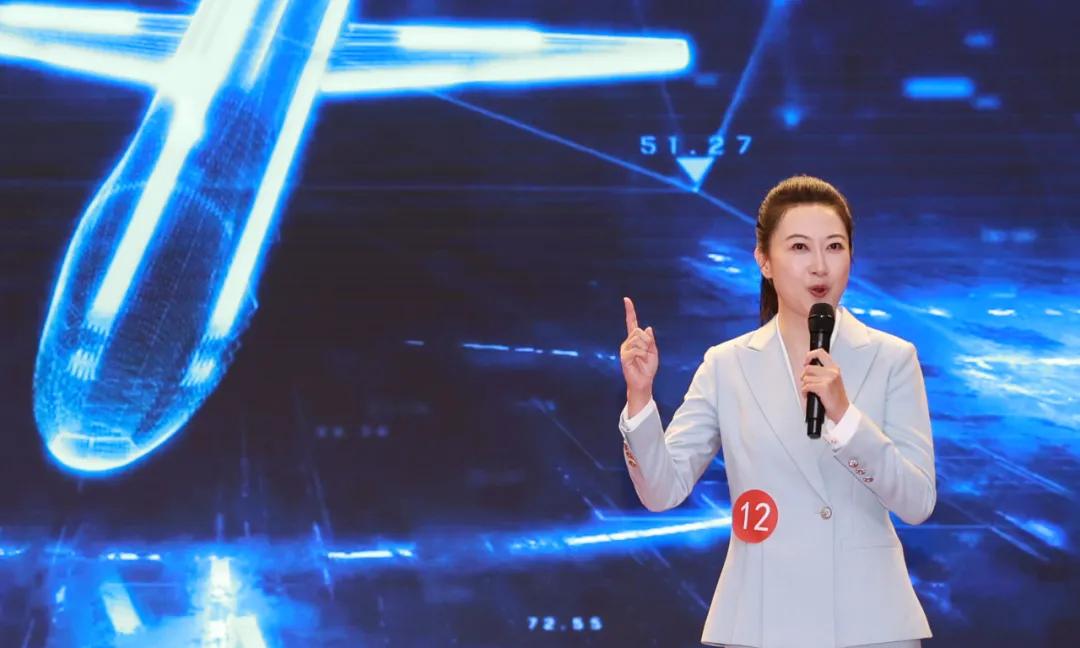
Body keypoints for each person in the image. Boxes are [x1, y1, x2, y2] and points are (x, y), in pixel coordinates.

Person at [618, 175, 935, 648]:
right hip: (761, 618)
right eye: (800, 247)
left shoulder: (892, 358)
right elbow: (663, 490)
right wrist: (640, 395)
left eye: (834, 246)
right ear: (764, 261)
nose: (820, 265)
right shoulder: (727, 364)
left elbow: (917, 501)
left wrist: (845, 416)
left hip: (868, 621)